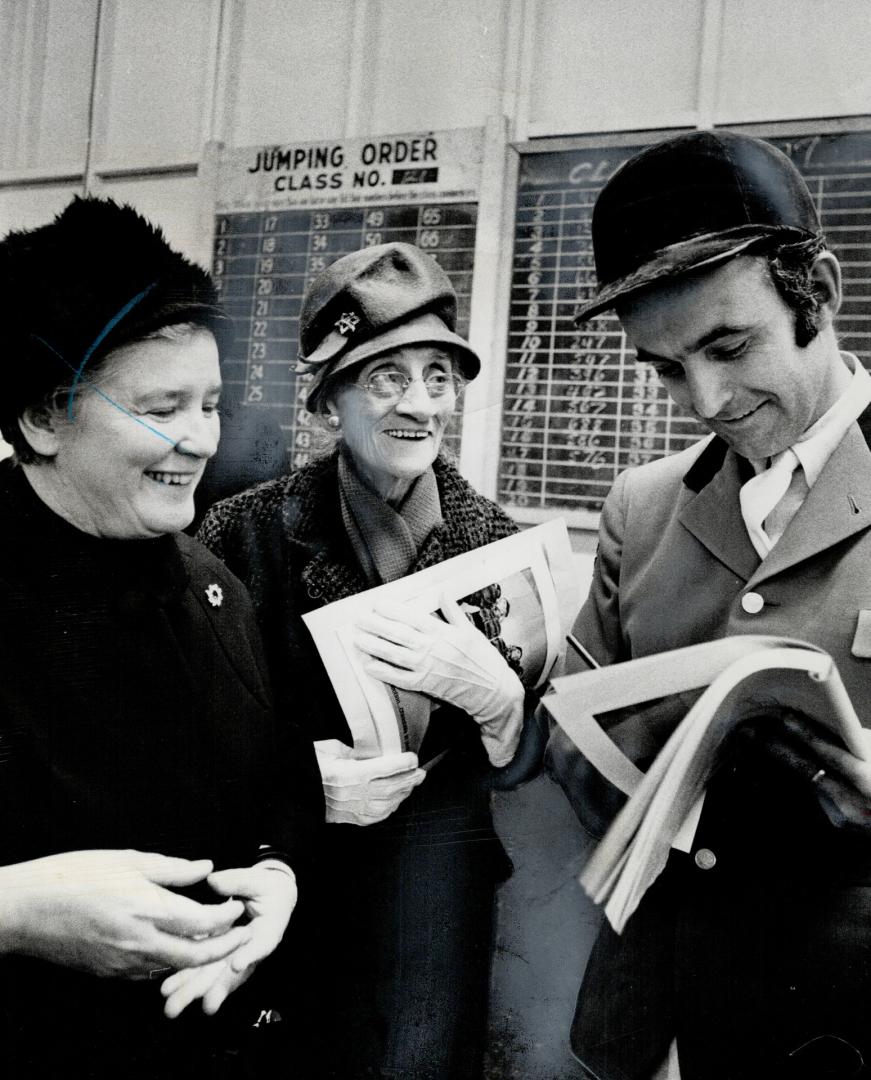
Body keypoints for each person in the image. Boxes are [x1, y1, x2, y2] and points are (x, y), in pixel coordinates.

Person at [545, 131, 871, 1080]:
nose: (705, 398)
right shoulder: (640, 509)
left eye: (729, 346)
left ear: (818, 288)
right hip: (667, 1011)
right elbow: (574, 741)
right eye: (663, 366)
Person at [0, 196, 324, 1076]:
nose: (200, 439)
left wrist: (276, 877)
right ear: (45, 416)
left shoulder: (211, 581)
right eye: (162, 406)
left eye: (211, 404)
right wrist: (14, 912)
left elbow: (280, 771)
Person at [197, 242, 532, 1079]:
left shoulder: (497, 545)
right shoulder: (238, 534)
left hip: (430, 890)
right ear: (330, 398)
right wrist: (295, 783)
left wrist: (503, 708)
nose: (418, 404)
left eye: (437, 377)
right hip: (283, 878)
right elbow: (188, 728)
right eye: (386, 378)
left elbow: (529, 766)